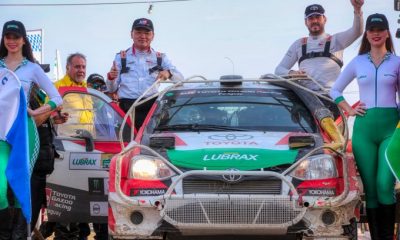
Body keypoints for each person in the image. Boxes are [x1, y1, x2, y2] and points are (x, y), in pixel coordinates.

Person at [330, 13, 399, 240]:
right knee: (369, 191)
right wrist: (349, 109)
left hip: (391, 128)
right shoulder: (358, 62)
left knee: (383, 185)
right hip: (364, 130)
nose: (376, 33)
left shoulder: (397, 62)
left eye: (380, 29)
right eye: (372, 29)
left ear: (387, 33)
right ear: (367, 34)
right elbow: (335, 90)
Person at [0, 20, 62, 239]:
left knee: (19, 183)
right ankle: (4, 232)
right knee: (0, 188)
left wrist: (37, 112)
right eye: (8, 36)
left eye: (16, 37)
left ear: (23, 40)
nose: (12, 41)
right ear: (4, 39)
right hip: (0, 134)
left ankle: (17, 234)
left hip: (22, 134)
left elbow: (57, 97)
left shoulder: (32, 68)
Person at [106, 17, 184, 130]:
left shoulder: (160, 58)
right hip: (126, 109)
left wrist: (169, 73)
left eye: (147, 33)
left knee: (151, 145)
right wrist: (111, 77)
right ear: (131, 34)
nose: (142, 36)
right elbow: (111, 89)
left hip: (151, 109)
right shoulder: (120, 57)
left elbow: (181, 79)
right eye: (138, 32)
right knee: (126, 146)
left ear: (153, 36)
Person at [275, 0, 364, 90]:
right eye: (311, 18)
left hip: (330, 97)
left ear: (324, 19)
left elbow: (357, 31)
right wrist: (291, 73)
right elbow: (279, 70)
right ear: (306, 22)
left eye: (318, 17)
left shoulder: (336, 40)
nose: (315, 21)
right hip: (305, 97)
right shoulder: (298, 44)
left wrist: (357, 9)